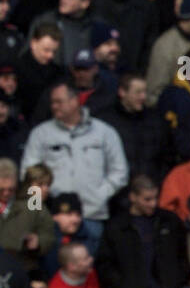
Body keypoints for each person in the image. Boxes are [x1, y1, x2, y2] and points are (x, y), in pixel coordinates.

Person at [22, 80, 128, 254]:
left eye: (59, 101)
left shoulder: (103, 132)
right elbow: (28, 175)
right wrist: (36, 212)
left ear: (74, 101)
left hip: (91, 215)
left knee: (88, 270)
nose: (54, 106)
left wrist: (100, 194)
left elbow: (120, 172)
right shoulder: (41, 134)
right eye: (52, 102)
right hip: (53, 219)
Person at [96, 175, 186, 288]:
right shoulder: (117, 227)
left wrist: (174, 285)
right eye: (147, 199)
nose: (153, 203)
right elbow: (105, 264)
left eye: (155, 198)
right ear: (133, 197)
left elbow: (182, 257)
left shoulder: (169, 221)